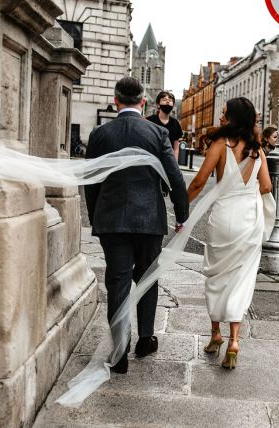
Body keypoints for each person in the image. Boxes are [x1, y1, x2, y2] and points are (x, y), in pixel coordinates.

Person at [84, 77, 189, 374]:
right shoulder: (156, 132)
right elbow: (175, 177)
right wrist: (181, 214)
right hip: (148, 219)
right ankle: (145, 339)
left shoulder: (100, 134)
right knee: (147, 278)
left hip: (112, 220)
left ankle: (119, 352)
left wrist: (96, 217)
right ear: (143, 102)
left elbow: (91, 182)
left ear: (116, 101)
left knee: (117, 282)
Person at [186, 97, 273, 369]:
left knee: (216, 275)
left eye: (224, 114)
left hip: (224, 218)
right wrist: (245, 194)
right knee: (241, 279)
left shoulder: (220, 145)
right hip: (249, 219)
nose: (221, 118)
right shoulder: (258, 151)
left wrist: (182, 208)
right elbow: (267, 186)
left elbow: (200, 181)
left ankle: (216, 335)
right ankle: (235, 340)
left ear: (233, 117)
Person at [146, 91, 183, 160]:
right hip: (152, 160)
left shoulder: (175, 123)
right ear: (158, 104)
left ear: (173, 105)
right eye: (164, 100)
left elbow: (176, 148)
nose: (168, 102)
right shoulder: (149, 121)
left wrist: (175, 165)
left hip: (168, 160)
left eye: (170, 100)